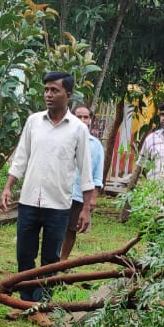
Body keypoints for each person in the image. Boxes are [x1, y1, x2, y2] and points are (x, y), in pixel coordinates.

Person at [0, 72, 95, 327]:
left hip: (59, 205)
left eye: (54, 90)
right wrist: (8, 187)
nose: (48, 95)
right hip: (30, 200)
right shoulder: (33, 122)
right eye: (46, 90)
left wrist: (86, 208)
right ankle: (25, 304)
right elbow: (21, 157)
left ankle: (43, 305)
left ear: (68, 95)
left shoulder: (78, 129)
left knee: (50, 259)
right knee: (24, 254)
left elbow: (85, 171)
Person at [61, 104, 104, 260]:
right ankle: (49, 261)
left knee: (71, 229)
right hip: (60, 191)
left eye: (86, 117)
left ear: (90, 120)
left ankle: (62, 262)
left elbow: (97, 174)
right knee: (55, 227)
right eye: (79, 116)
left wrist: (93, 198)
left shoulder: (96, 145)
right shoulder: (63, 138)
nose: (82, 120)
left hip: (79, 194)